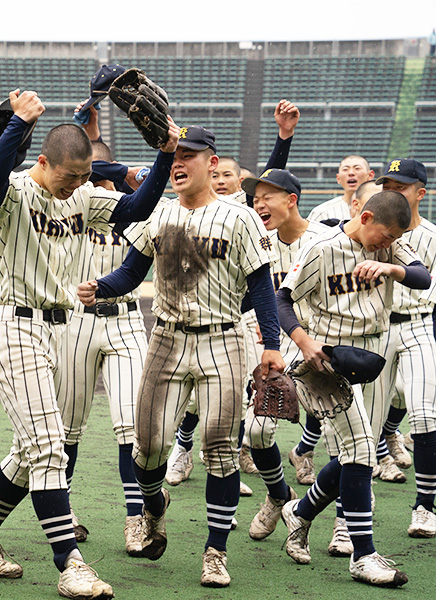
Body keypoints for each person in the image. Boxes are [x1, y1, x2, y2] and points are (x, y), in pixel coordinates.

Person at [0, 88, 177, 599]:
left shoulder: (80, 195)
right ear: (44, 161)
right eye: (69, 174)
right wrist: (18, 122)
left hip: (57, 332)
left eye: (84, 175)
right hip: (16, 326)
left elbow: (139, 205)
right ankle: (70, 563)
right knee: (50, 446)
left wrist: (165, 154)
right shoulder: (13, 192)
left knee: (27, 455)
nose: (76, 184)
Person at [79, 124, 285, 587]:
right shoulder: (161, 215)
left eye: (188, 155)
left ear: (211, 164)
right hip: (167, 339)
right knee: (147, 447)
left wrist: (271, 345)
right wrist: (101, 287)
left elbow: (260, 287)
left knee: (218, 448)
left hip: (224, 340)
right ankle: (154, 506)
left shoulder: (240, 218)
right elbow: (132, 272)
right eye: (174, 155)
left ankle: (215, 551)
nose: (178, 162)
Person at [277, 190, 429, 587]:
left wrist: (392, 269)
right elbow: (281, 300)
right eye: (384, 235)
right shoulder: (322, 247)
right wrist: (303, 342)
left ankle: (301, 512)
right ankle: (363, 555)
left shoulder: (393, 246)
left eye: (395, 238)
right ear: (365, 217)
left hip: (372, 356)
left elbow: (423, 277)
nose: (388, 243)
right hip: (327, 358)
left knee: (352, 452)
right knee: (362, 450)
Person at [166, 100, 301, 492]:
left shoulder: (240, 211)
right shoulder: (188, 206)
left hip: (236, 319)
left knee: (234, 395)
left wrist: (283, 138)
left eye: (230, 174)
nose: (223, 180)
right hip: (192, 311)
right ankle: (184, 447)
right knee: (193, 401)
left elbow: (271, 180)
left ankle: (222, 458)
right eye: (219, 174)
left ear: (241, 182)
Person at [59, 103, 150, 555]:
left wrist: (128, 171)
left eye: (93, 172)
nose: (85, 179)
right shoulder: (69, 202)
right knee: (68, 427)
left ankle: (137, 519)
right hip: (75, 323)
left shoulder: (136, 208)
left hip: (127, 320)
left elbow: (146, 186)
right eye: (81, 173)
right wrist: (82, 130)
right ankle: (65, 510)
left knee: (131, 425)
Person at [239, 169, 331, 543]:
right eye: (255, 198)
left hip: (325, 343)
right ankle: (279, 495)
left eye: (267, 197)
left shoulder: (328, 238)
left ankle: (342, 527)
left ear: (291, 200)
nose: (258, 204)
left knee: (348, 444)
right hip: (279, 346)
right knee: (257, 430)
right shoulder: (261, 243)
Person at [374, 159, 436, 537]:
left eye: (401, 186)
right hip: (377, 330)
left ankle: (425, 507)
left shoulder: (432, 235)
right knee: (365, 425)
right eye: (388, 185)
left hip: (419, 325)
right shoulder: (371, 230)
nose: (392, 191)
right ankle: (348, 517)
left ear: (420, 193)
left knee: (426, 416)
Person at [307, 156, 375, 222]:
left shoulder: (381, 209)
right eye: (345, 169)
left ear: (370, 175)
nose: (351, 173)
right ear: (338, 178)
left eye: (357, 168)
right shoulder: (322, 213)